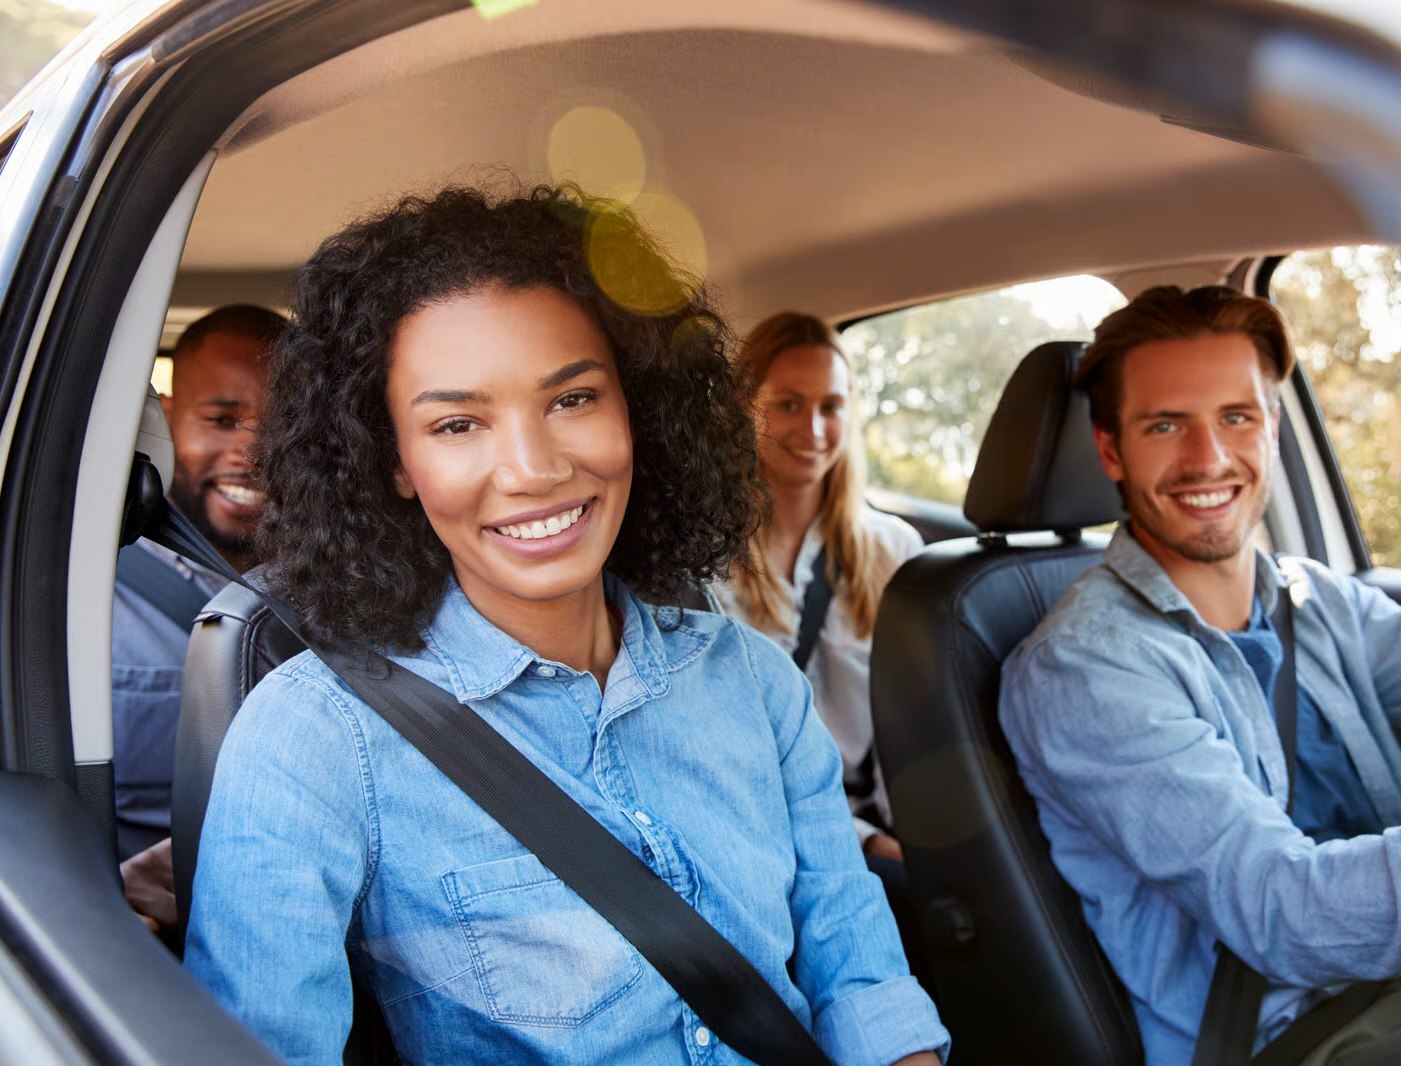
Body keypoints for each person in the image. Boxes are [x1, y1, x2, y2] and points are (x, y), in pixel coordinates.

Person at [182, 185, 948, 1065]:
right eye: (459, 423)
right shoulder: (313, 738)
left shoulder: (757, 682)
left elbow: (862, 983)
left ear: (638, 410)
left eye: (572, 399)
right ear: (393, 460)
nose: (533, 469)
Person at [998, 285, 1401, 1065]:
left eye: (1236, 417)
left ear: (1274, 428)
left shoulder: (1316, 601)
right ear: (1111, 449)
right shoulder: (1082, 667)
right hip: (1295, 1035)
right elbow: (1286, 914)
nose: (1208, 459)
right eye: (1166, 425)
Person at [713, 312, 922, 861]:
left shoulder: (893, 549)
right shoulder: (704, 564)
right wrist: (866, 843)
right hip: (766, 833)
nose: (813, 430)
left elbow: (916, 719)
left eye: (831, 407)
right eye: (788, 404)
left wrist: (917, 839)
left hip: (889, 823)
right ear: (743, 407)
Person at [113, 305, 283, 932]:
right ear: (162, 415)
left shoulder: (356, 598)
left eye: (282, 424)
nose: (253, 451)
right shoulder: (80, 595)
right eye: (221, 419)